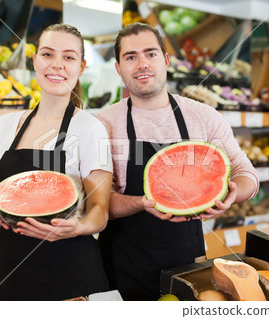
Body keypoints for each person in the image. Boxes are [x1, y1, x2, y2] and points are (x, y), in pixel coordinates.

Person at [97, 23, 259, 301]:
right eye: (131, 57)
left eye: (150, 54)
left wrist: (233, 192)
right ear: (118, 68)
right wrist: (141, 202)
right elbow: (100, 202)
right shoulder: (103, 124)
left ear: (166, 60)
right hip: (122, 266)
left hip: (187, 264)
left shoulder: (204, 117)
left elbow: (248, 175)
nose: (142, 64)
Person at [0, 24, 113, 301]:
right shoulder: (5, 126)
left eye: (69, 57)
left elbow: (100, 210)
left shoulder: (90, 128)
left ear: (81, 67)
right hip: (12, 271)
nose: (57, 65)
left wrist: (79, 227)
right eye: (48, 54)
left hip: (71, 275)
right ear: (35, 59)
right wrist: (18, 199)